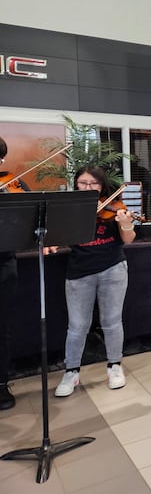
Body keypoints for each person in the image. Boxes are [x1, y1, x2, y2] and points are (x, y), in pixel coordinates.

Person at [52, 166, 137, 397]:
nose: (88, 188)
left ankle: (114, 366)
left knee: (111, 321)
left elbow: (128, 239)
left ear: (102, 185)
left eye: (93, 184)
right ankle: (71, 371)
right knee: (77, 326)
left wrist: (125, 222)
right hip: (79, 271)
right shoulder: (70, 208)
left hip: (113, 268)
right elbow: (58, 237)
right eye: (83, 183)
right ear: (76, 184)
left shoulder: (115, 206)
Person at [0, 136, 31, 410]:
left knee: (1, 327)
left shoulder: (12, 184)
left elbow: (29, 220)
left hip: (3, 263)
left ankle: (1, 383)